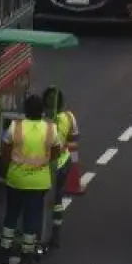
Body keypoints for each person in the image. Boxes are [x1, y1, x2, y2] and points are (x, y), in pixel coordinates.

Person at [0, 93, 60, 264]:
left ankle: (5, 250)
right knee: (32, 218)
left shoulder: (15, 127)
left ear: (25, 111)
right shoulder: (50, 129)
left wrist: (7, 170)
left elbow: (5, 152)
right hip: (38, 182)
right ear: (42, 111)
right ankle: (27, 255)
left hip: (15, 179)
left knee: (11, 214)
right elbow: (55, 153)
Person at [45, 85, 79, 249]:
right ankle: (55, 234)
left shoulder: (42, 120)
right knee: (57, 200)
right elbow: (73, 142)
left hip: (45, 167)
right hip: (63, 164)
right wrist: (75, 165)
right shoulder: (69, 117)